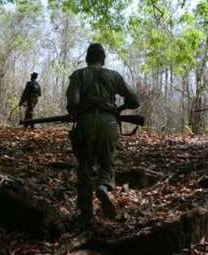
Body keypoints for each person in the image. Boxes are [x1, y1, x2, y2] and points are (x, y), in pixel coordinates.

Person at [66, 43, 140, 225]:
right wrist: (117, 109)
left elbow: (72, 101)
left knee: (84, 166)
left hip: (86, 122)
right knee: (108, 163)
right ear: (103, 58)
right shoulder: (114, 75)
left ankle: (86, 214)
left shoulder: (78, 75)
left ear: (87, 58)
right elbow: (134, 100)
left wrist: (76, 112)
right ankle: (103, 186)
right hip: (109, 122)